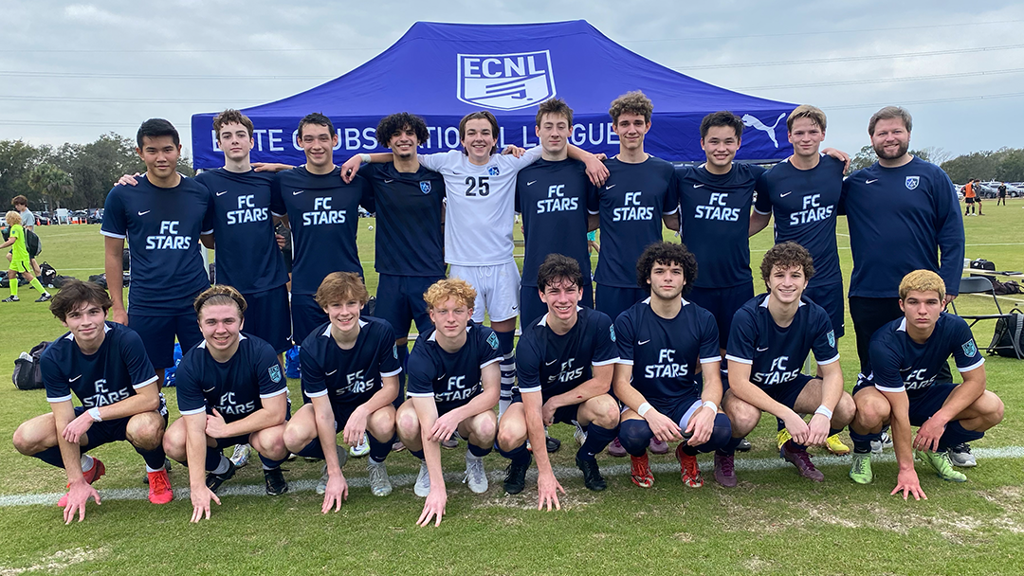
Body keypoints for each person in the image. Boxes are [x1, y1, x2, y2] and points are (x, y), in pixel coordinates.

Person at [342, 111, 607, 422]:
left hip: (501, 266)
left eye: (485, 132)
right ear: (462, 139)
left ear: (495, 139)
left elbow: (554, 145)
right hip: (463, 269)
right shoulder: (446, 162)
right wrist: (363, 157)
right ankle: (462, 412)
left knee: (503, 344)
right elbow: (405, 152)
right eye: (472, 133)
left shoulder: (510, 163)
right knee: (464, 340)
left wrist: (588, 157)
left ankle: (506, 410)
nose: (478, 138)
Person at [12, 280, 172, 522]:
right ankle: (87, 468)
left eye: (93, 312)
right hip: (95, 420)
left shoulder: (127, 340)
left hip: (135, 413)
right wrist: (75, 480)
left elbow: (149, 399)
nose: (86, 321)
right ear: (64, 321)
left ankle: (156, 470)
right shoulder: (54, 356)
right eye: (75, 315)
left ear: (105, 313)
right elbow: (63, 420)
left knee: (145, 429)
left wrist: (92, 414)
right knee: (25, 437)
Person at [748, 105, 850, 456]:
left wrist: (840, 158)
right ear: (788, 136)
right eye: (799, 133)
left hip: (827, 279)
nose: (805, 138)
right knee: (784, 350)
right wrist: (720, 236)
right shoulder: (773, 177)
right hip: (787, 280)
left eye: (812, 132)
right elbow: (759, 220)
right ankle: (784, 425)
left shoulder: (836, 168)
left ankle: (827, 423)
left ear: (823, 134)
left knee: (827, 352)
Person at [847, 270, 1003, 496]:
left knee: (992, 407)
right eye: (914, 302)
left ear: (942, 304)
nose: (922, 310)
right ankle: (862, 452)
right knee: (872, 410)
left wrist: (938, 420)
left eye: (930, 302)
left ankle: (934, 448)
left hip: (924, 393)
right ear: (902, 305)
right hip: (883, 397)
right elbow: (899, 412)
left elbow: (976, 381)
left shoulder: (956, 328)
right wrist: (906, 469)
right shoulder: (884, 342)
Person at [840, 106, 964, 383]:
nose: (890, 138)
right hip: (869, 291)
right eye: (882, 133)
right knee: (874, 367)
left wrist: (949, 283)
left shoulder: (932, 176)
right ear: (871, 138)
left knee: (931, 367)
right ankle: (876, 426)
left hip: (921, 292)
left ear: (908, 134)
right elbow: (816, 197)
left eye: (896, 131)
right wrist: (825, 160)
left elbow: (953, 234)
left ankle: (934, 422)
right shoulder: (858, 183)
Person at [720, 242, 855, 485]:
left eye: (795, 275)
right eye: (779, 275)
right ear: (768, 281)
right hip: (751, 387)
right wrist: (787, 414)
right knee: (743, 416)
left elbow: (833, 374)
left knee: (844, 407)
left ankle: (796, 447)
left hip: (790, 383)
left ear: (806, 281)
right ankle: (724, 453)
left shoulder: (816, 315)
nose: (787, 283)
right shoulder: (747, 316)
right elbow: (738, 382)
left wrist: (823, 413)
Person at [591, 91, 680, 458]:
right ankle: (615, 424)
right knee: (613, 354)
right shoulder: (601, 170)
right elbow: (591, 221)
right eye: (624, 123)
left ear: (648, 126)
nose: (631, 129)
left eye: (637, 123)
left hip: (653, 282)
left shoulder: (663, 171)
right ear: (614, 128)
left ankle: (653, 419)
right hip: (611, 278)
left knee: (652, 352)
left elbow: (674, 219)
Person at [497, 254, 620, 504]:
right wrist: (545, 473)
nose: (563, 299)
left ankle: (586, 457)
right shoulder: (531, 341)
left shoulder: (599, 323)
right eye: (554, 291)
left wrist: (555, 402)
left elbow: (602, 383)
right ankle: (522, 462)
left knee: (610, 412)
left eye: (569, 290)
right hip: (535, 400)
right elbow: (533, 411)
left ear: (581, 292)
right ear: (542, 295)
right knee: (507, 436)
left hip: (577, 399)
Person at [162, 286, 290, 521]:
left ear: (241, 323)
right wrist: (197, 486)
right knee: (173, 442)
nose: (220, 330)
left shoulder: (262, 352)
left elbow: (275, 413)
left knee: (276, 441)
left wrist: (227, 429)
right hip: (216, 424)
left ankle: (271, 468)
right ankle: (222, 467)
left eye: (228, 321)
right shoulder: (190, 365)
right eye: (211, 322)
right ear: (200, 326)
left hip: (258, 422)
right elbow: (194, 429)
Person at [101, 118, 213, 385]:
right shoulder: (123, 194)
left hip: (195, 300)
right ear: (140, 153)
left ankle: (206, 427)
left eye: (167, 149)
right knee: (149, 381)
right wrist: (118, 307)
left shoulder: (199, 192)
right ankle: (154, 426)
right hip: (147, 302)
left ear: (179, 150)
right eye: (152, 151)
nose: (160, 157)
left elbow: (212, 241)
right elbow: (113, 255)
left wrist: (264, 235)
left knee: (208, 372)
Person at [613, 242, 733, 489]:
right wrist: (651, 414)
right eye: (660, 271)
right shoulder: (628, 320)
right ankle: (639, 456)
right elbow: (621, 383)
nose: (667, 278)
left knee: (720, 430)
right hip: (643, 400)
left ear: (685, 278)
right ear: (648, 277)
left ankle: (687, 453)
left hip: (684, 400)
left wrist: (709, 408)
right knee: (634, 435)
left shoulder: (703, 319)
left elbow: (711, 378)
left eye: (675, 272)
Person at [356, 113, 446, 428]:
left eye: (410, 133)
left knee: (434, 343)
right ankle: (394, 410)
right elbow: (329, 171)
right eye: (396, 134)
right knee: (392, 344)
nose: (403, 138)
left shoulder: (436, 174)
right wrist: (362, 157)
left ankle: (438, 415)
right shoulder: (375, 174)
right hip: (391, 276)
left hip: (430, 276)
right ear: (388, 140)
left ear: (419, 138)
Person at [282, 272, 401, 509]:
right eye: (336, 305)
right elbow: (323, 412)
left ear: (362, 303)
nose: (344, 312)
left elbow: (392, 388)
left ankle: (376, 463)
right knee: (292, 437)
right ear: (325, 308)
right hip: (331, 407)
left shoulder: (381, 331)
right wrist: (335, 472)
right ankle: (334, 459)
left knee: (386, 424)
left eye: (351, 304)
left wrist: (362, 411)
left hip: (371, 402)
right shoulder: (312, 347)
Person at [396, 278, 500, 527]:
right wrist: (438, 488)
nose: (450, 318)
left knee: (487, 425)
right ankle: (427, 466)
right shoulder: (422, 352)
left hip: (466, 412)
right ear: (432, 315)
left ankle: (474, 460)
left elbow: (492, 393)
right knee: (407, 421)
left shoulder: (484, 338)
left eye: (458, 311)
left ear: (470, 314)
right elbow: (427, 421)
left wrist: (455, 416)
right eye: (443, 311)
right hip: (432, 410)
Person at [271, 112, 374, 345]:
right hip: (306, 286)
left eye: (322, 138)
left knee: (356, 353)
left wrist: (364, 157)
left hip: (350, 283)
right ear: (299, 142)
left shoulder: (354, 180)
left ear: (334, 140)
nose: (316, 145)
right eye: (309, 139)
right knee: (312, 356)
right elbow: (274, 220)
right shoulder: (285, 181)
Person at [515, 98, 598, 326]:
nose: (555, 133)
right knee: (534, 346)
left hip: (576, 278)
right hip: (535, 276)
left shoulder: (585, 172)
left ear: (570, 130)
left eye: (561, 127)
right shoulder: (522, 174)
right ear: (537, 130)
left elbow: (596, 217)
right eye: (548, 127)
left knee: (581, 346)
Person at [2, 211, 51, 302]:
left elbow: (12, 240)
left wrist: (1, 246)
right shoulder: (18, 227)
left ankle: (45, 294)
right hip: (16, 256)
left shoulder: (15, 228)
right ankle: (14, 296)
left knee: (27, 275)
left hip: (20, 256)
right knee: (11, 274)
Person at [9, 195, 41, 276]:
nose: (16, 207)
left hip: (27, 241)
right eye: (15, 205)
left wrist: (19, 229)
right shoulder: (20, 213)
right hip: (20, 241)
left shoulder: (28, 214)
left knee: (32, 261)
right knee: (10, 256)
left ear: (23, 204)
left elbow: (29, 228)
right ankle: (23, 275)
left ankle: (39, 278)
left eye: (18, 205)